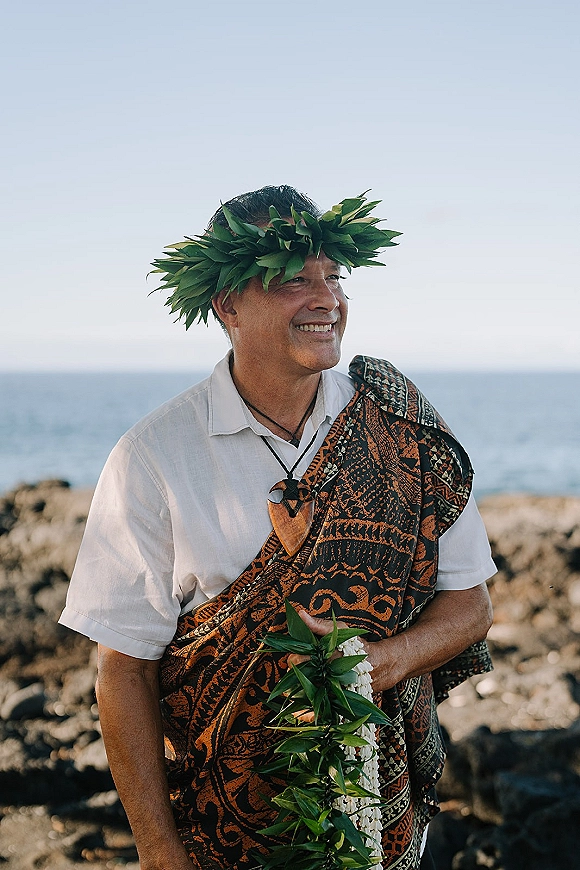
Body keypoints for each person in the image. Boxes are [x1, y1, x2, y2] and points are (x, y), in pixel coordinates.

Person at [59, 186, 495, 870]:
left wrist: (386, 662)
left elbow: (470, 605)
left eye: (333, 277)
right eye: (295, 280)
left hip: (378, 822)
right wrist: (158, 850)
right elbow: (123, 672)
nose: (327, 299)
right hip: (218, 833)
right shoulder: (154, 457)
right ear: (227, 305)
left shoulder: (402, 430)